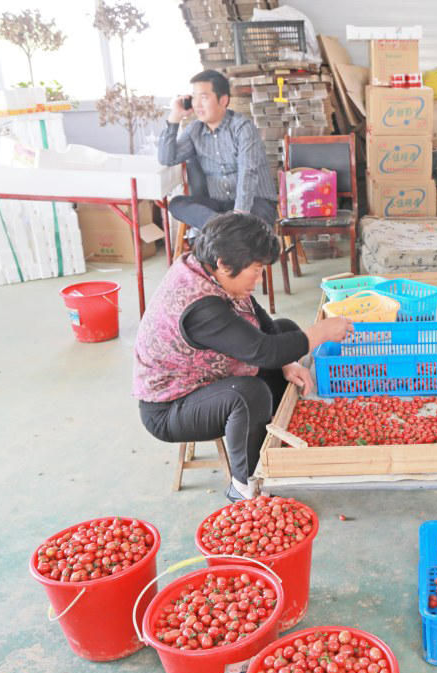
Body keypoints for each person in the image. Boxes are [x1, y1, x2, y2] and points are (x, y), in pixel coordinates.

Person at [133, 213, 352, 501]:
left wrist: (287, 362)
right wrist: (321, 332)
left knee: (285, 329)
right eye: (256, 270)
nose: (259, 280)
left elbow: (257, 316)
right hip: (172, 407)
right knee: (248, 394)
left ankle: (272, 433)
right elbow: (263, 351)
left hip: (206, 375)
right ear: (224, 264)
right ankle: (244, 486)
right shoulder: (200, 306)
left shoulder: (211, 269)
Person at [159, 70, 277, 230]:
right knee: (177, 204)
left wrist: (239, 214)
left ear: (223, 100)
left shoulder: (243, 128)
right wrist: (175, 116)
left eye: (203, 97)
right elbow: (167, 158)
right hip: (220, 206)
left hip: (255, 203)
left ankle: (223, 228)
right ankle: (225, 227)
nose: (197, 104)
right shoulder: (194, 130)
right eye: (194, 97)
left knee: (248, 222)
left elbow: (247, 172)